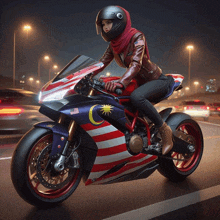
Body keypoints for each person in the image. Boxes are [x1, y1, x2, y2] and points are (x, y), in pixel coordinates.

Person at [95, 5, 174, 155]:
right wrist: (81, 75)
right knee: (111, 98)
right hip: (138, 83)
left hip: (156, 80)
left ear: (119, 21)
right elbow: (101, 63)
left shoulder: (137, 36)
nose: (105, 27)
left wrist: (121, 82)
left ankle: (164, 130)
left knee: (136, 97)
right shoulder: (114, 45)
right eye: (103, 24)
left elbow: (136, 64)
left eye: (108, 23)